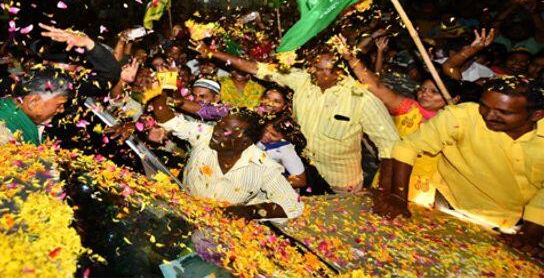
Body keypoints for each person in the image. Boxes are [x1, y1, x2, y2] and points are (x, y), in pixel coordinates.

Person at [374, 76, 544, 257]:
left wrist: (530, 234)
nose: (488, 115)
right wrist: (398, 196)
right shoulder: (462, 116)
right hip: (446, 208)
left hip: (510, 226)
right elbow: (407, 147)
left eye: (503, 112)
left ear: (536, 115)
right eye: (484, 105)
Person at [198, 42, 398, 194]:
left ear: (339, 70)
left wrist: (388, 194)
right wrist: (212, 52)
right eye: (312, 66)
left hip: (340, 186)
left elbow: (391, 148)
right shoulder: (303, 81)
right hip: (300, 174)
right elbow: (257, 68)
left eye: (319, 69)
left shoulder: (361, 98)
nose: (312, 71)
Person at [335, 34, 465, 206]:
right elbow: (376, 86)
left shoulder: (456, 120)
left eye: (433, 91)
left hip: (423, 191)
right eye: (423, 89)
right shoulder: (407, 107)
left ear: (454, 99)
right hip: (388, 181)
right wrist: (351, 59)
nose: (424, 93)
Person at [148, 95, 304, 223]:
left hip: (220, 227)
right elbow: (167, 118)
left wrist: (248, 211)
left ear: (245, 142)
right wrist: (160, 92)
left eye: (225, 131)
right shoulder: (204, 135)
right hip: (182, 211)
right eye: (218, 125)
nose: (216, 132)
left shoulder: (263, 166)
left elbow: (293, 204)